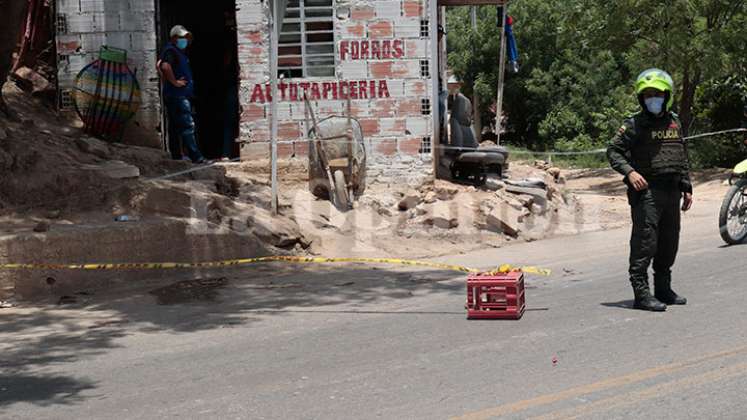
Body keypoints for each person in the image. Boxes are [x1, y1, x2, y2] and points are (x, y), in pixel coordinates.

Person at [607, 68, 693, 312]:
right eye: (647, 95)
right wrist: (630, 172)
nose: (652, 99)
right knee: (646, 242)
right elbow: (613, 151)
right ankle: (641, 294)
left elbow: (680, 154)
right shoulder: (635, 124)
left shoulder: (674, 121)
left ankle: (663, 289)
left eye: (657, 94)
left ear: (667, 95)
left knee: (669, 242)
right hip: (648, 192)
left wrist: (686, 186)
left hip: (672, 190)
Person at [159, 25, 207, 164]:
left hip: (176, 95)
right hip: (178, 95)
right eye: (182, 38)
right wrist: (174, 82)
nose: (184, 40)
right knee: (187, 125)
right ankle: (196, 157)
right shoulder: (171, 51)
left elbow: (159, 65)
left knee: (175, 126)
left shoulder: (177, 52)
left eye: (186, 38)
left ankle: (176, 156)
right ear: (174, 38)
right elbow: (164, 66)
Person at [447, 75, 477, 154]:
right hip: (467, 146)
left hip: (465, 146)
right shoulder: (465, 99)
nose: (452, 88)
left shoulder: (461, 99)